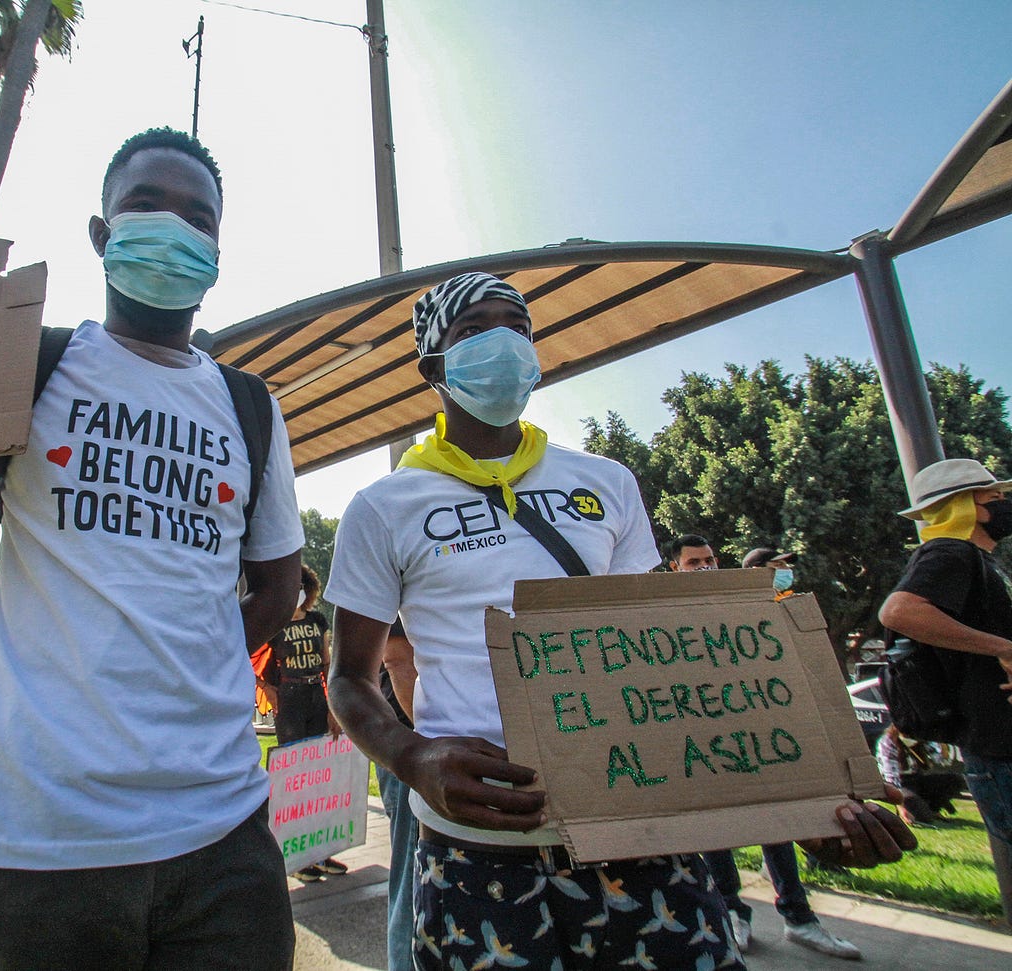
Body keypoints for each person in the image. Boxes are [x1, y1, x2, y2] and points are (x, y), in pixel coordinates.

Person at [0, 127, 303, 971]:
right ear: (101, 235)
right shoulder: (26, 364)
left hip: (223, 833)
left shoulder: (249, 406)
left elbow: (278, 586)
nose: (172, 228)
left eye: (196, 216)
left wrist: (186, 659)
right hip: (38, 840)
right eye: (145, 206)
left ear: (218, 247)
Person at [325, 272, 915, 971]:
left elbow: (662, 659)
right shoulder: (384, 505)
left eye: (518, 327)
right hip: (476, 850)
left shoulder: (606, 481)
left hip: (641, 839)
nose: (505, 344)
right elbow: (349, 680)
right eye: (475, 329)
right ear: (434, 366)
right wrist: (413, 757)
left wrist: (797, 802)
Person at [670, 537, 862, 959]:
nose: (704, 567)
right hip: (709, 741)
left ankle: (799, 918)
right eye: (693, 562)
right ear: (675, 568)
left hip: (758, 733)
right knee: (718, 833)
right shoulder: (670, 612)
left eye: (710, 560)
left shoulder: (747, 602)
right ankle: (733, 912)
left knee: (778, 827)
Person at [880, 458, 1012, 865]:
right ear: (966, 505)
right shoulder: (949, 552)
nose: (1006, 502)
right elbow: (898, 612)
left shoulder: (979, 561)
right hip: (999, 747)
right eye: (996, 496)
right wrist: (1003, 648)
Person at [263, 565, 347, 882]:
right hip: (290, 698)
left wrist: (333, 709)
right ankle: (294, 858)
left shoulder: (317, 620)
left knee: (318, 777)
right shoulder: (274, 625)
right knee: (293, 778)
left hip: (315, 696)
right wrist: (269, 691)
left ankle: (321, 852)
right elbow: (251, 657)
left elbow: (327, 662)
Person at [375, 619, 419, 971]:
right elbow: (398, 659)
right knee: (413, 877)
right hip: (417, 746)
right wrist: (429, 747)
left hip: (413, 743)